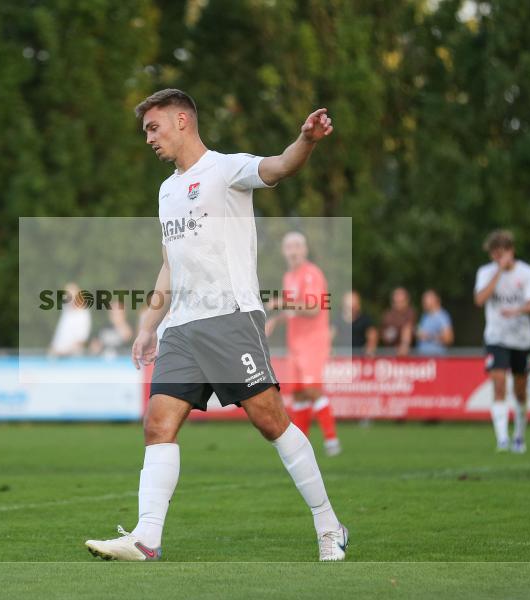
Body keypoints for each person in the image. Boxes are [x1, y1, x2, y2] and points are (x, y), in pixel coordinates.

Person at [85, 89, 347, 562]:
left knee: (270, 421)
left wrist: (306, 139)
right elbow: (169, 265)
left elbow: (281, 165)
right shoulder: (166, 191)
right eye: (146, 130)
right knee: (158, 424)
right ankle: (146, 539)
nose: (149, 138)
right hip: (181, 329)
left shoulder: (227, 169)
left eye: (153, 127)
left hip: (231, 317)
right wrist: (148, 326)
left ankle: (329, 524)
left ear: (182, 120)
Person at [266, 232, 340, 456]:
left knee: (312, 390)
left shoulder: (311, 274)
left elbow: (313, 308)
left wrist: (282, 302)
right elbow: (293, 310)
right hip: (295, 342)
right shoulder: (289, 276)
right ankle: (302, 446)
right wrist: (276, 320)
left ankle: (331, 441)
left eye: (297, 245)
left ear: (305, 250)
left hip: (313, 341)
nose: (293, 250)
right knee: (297, 395)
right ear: (284, 251)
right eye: (289, 246)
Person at [474, 229, 530, 454]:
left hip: (522, 340)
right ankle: (502, 439)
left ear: (511, 251)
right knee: (499, 383)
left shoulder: (527, 272)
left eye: (501, 254)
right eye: (494, 255)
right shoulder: (486, 272)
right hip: (496, 338)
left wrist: (517, 310)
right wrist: (498, 273)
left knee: (520, 391)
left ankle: (519, 437)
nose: (497, 258)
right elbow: (480, 299)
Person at [48, 283, 91, 357]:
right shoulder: (66, 310)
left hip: (72, 359)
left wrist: (63, 352)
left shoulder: (83, 315)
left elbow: (81, 340)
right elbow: (60, 333)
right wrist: (53, 349)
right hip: (57, 356)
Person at [332, 290, 377, 357]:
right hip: (341, 358)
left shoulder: (365, 320)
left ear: (358, 305)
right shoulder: (337, 320)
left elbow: (372, 336)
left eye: (354, 304)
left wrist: (369, 351)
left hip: (360, 358)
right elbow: (329, 336)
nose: (351, 307)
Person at [379, 287, 415, 356]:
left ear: (407, 301)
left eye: (401, 301)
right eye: (396, 302)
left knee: (407, 329)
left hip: (407, 352)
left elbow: (409, 329)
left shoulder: (410, 313)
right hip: (389, 348)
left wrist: (404, 345)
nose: (399, 304)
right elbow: (382, 332)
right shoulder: (387, 314)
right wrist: (386, 336)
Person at [416, 289, 454, 356]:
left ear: (436, 300)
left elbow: (449, 339)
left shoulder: (442, 316)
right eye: (423, 299)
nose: (423, 301)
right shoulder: (424, 316)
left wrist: (429, 336)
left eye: (427, 299)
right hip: (423, 359)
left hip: (437, 358)